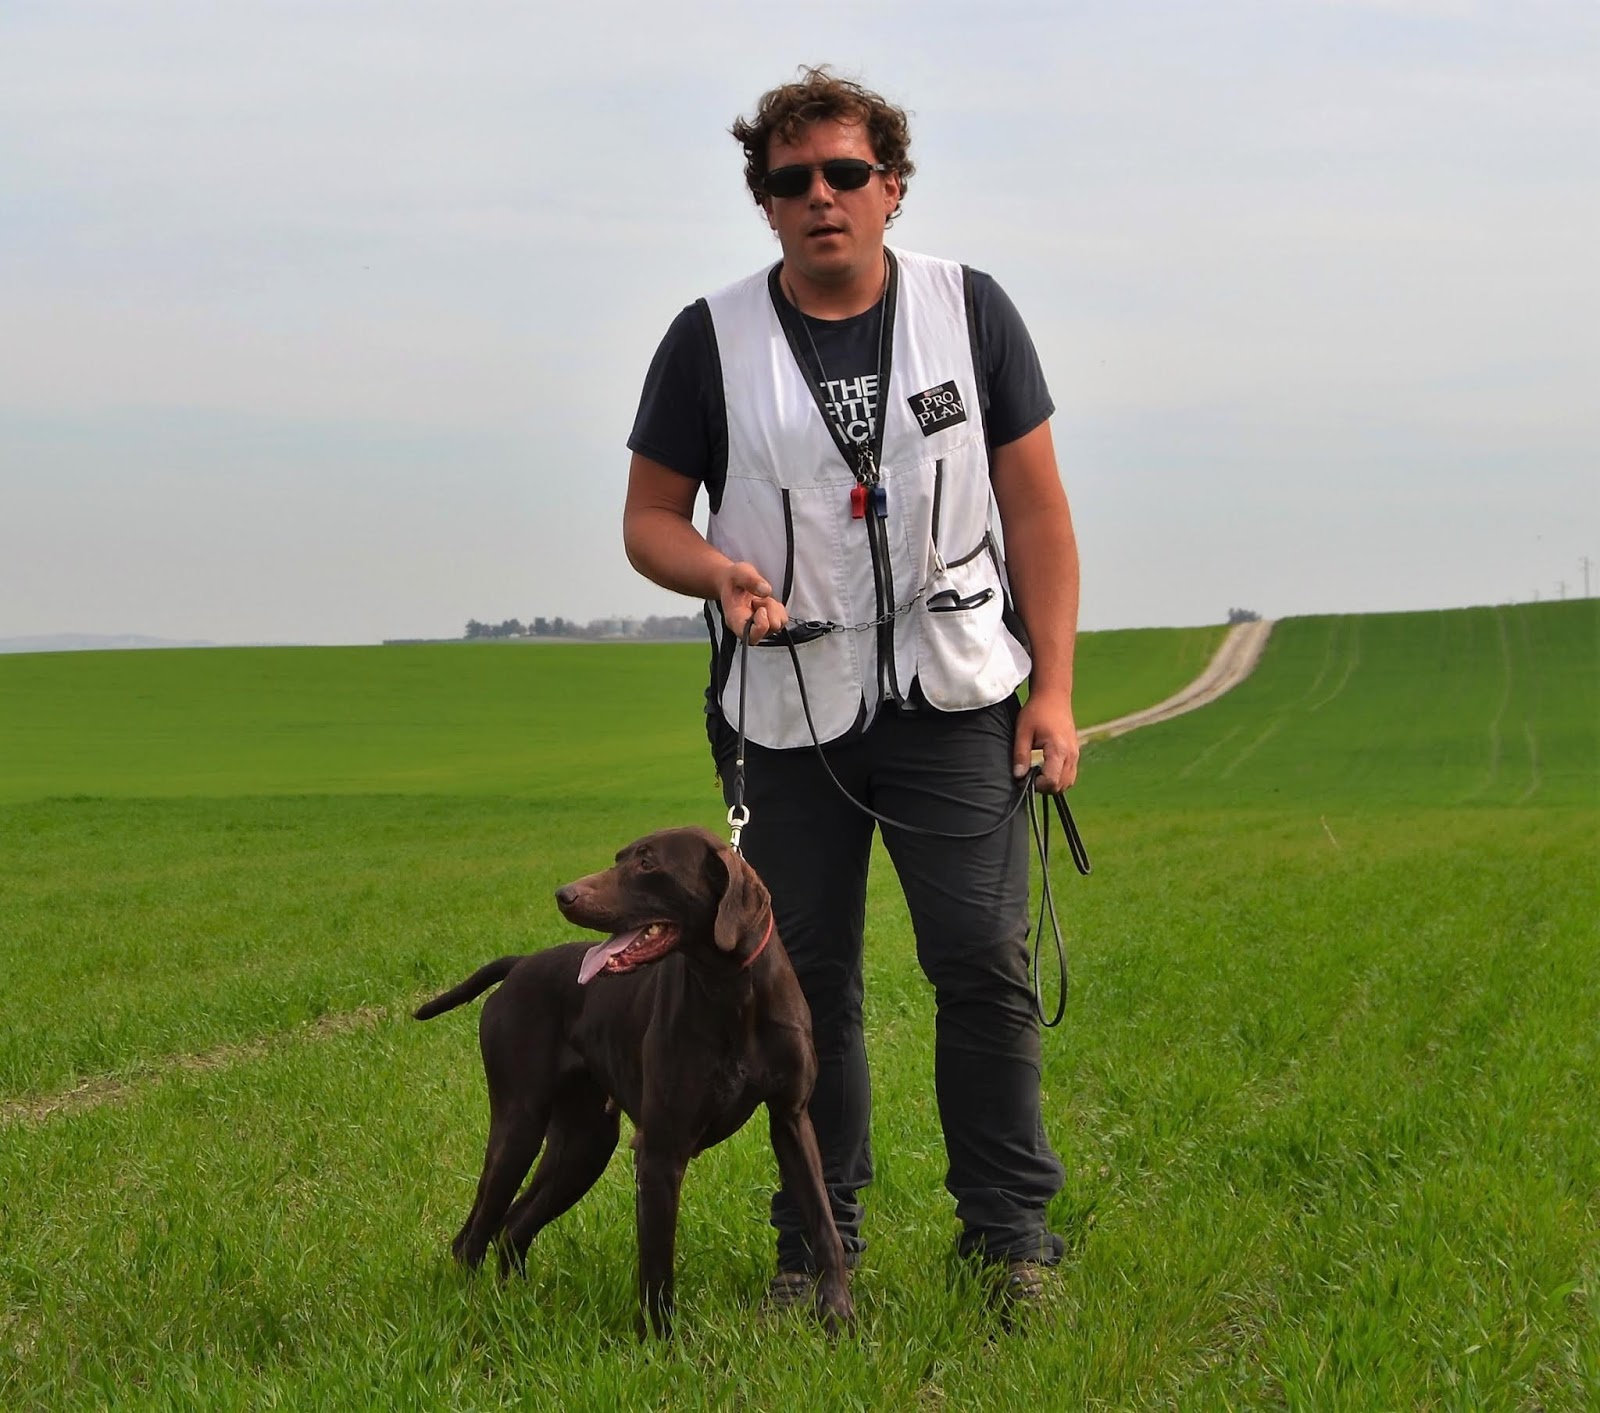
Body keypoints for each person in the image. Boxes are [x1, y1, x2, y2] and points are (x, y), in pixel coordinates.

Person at [622, 66, 1081, 1314]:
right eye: (791, 180)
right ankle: (818, 1250)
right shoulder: (707, 338)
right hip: (787, 710)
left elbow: (1037, 513)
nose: (819, 196)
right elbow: (649, 520)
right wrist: (717, 573)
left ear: (891, 186)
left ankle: (1011, 1242)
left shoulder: (968, 310)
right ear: (764, 202)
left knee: (981, 963)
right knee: (802, 982)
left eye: (843, 173)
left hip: (956, 698)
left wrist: (1052, 693)